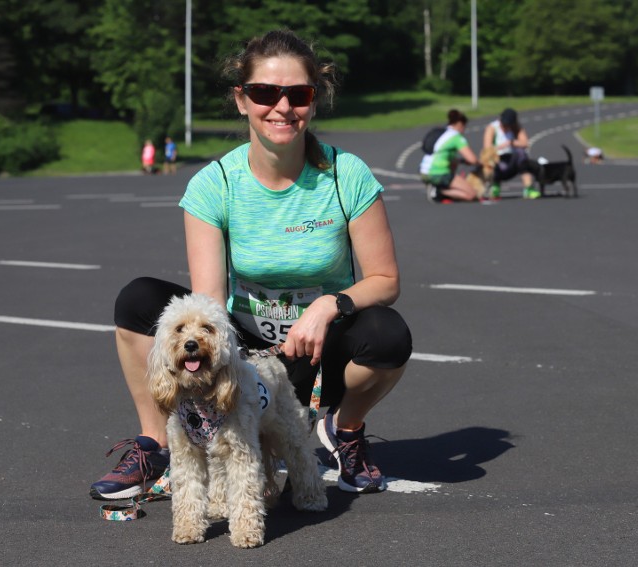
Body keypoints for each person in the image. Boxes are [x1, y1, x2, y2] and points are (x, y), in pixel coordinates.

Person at [90, 29, 412, 500]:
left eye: (298, 94)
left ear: (314, 101)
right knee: (138, 300)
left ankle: (342, 431)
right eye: (265, 93)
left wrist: (329, 305)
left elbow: (386, 280)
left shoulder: (348, 176)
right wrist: (230, 379)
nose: (282, 107)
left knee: (389, 335)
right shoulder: (214, 183)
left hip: (319, 351)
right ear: (242, 100)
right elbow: (210, 303)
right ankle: (157, 447)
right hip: (246, 350)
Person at [419, 109, 481, 202]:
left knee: (453, 161)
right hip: (438, 173)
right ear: (460, 124)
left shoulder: (443, 133)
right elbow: (473, 160)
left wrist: (460, 161)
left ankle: (438, 188)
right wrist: (480, 163)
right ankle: (439, 191)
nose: (464, 131)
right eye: (464, 127)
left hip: (424, 171)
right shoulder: (456, 137)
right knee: (472, 194)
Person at [483, 108, 539, 199]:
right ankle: (495, 185)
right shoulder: (492, 128)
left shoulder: (516, 127)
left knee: (522, 154)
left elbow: (525, 143)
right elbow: (487, 149)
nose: (505, 127)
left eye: (508, 125)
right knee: (491, 160)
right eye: (504, 124)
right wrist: (499, 148)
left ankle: (528, 188)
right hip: (498, 161)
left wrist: (511, 143)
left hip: (512, 161)